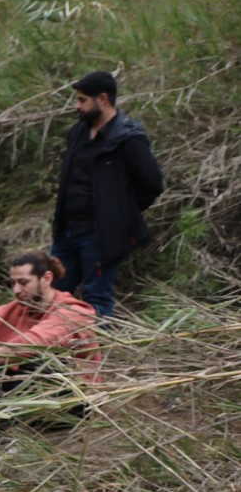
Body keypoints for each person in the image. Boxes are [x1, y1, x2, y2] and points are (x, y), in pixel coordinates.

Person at [0, 249, 99, 461]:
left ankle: (4, 436)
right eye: (13, 283)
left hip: (68, 403)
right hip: (24, 393)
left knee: (37, 362)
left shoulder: (72, 312)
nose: (16, 290)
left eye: (23, 282)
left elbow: (32, 343)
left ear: (46, 279)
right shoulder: (15, 309)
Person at [52, 70, 164, 318]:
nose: (76, 106)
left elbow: (152, 184)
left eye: (82, 100)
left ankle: (97, 353)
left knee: (96, 299)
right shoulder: (78, 132)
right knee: (52, 293)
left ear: (102, 99)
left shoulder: (128, 138)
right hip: (67, 231)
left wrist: (119, 212)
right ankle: (51, 349)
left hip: (100, 235)